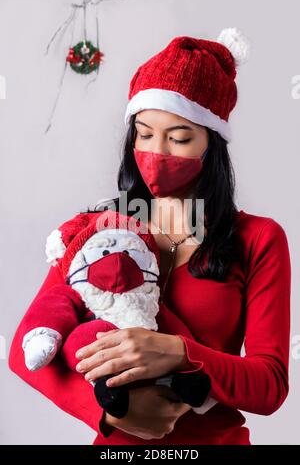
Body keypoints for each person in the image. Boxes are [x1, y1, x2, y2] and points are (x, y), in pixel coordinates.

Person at [9, 28, 291, 445]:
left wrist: (178, 351)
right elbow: (23, 350)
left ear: (211, 144)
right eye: (143, 133)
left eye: (178, 138)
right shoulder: (101, 230)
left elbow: (270, 385)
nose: (155, 153)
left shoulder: (258, 238)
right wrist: (107, 415)